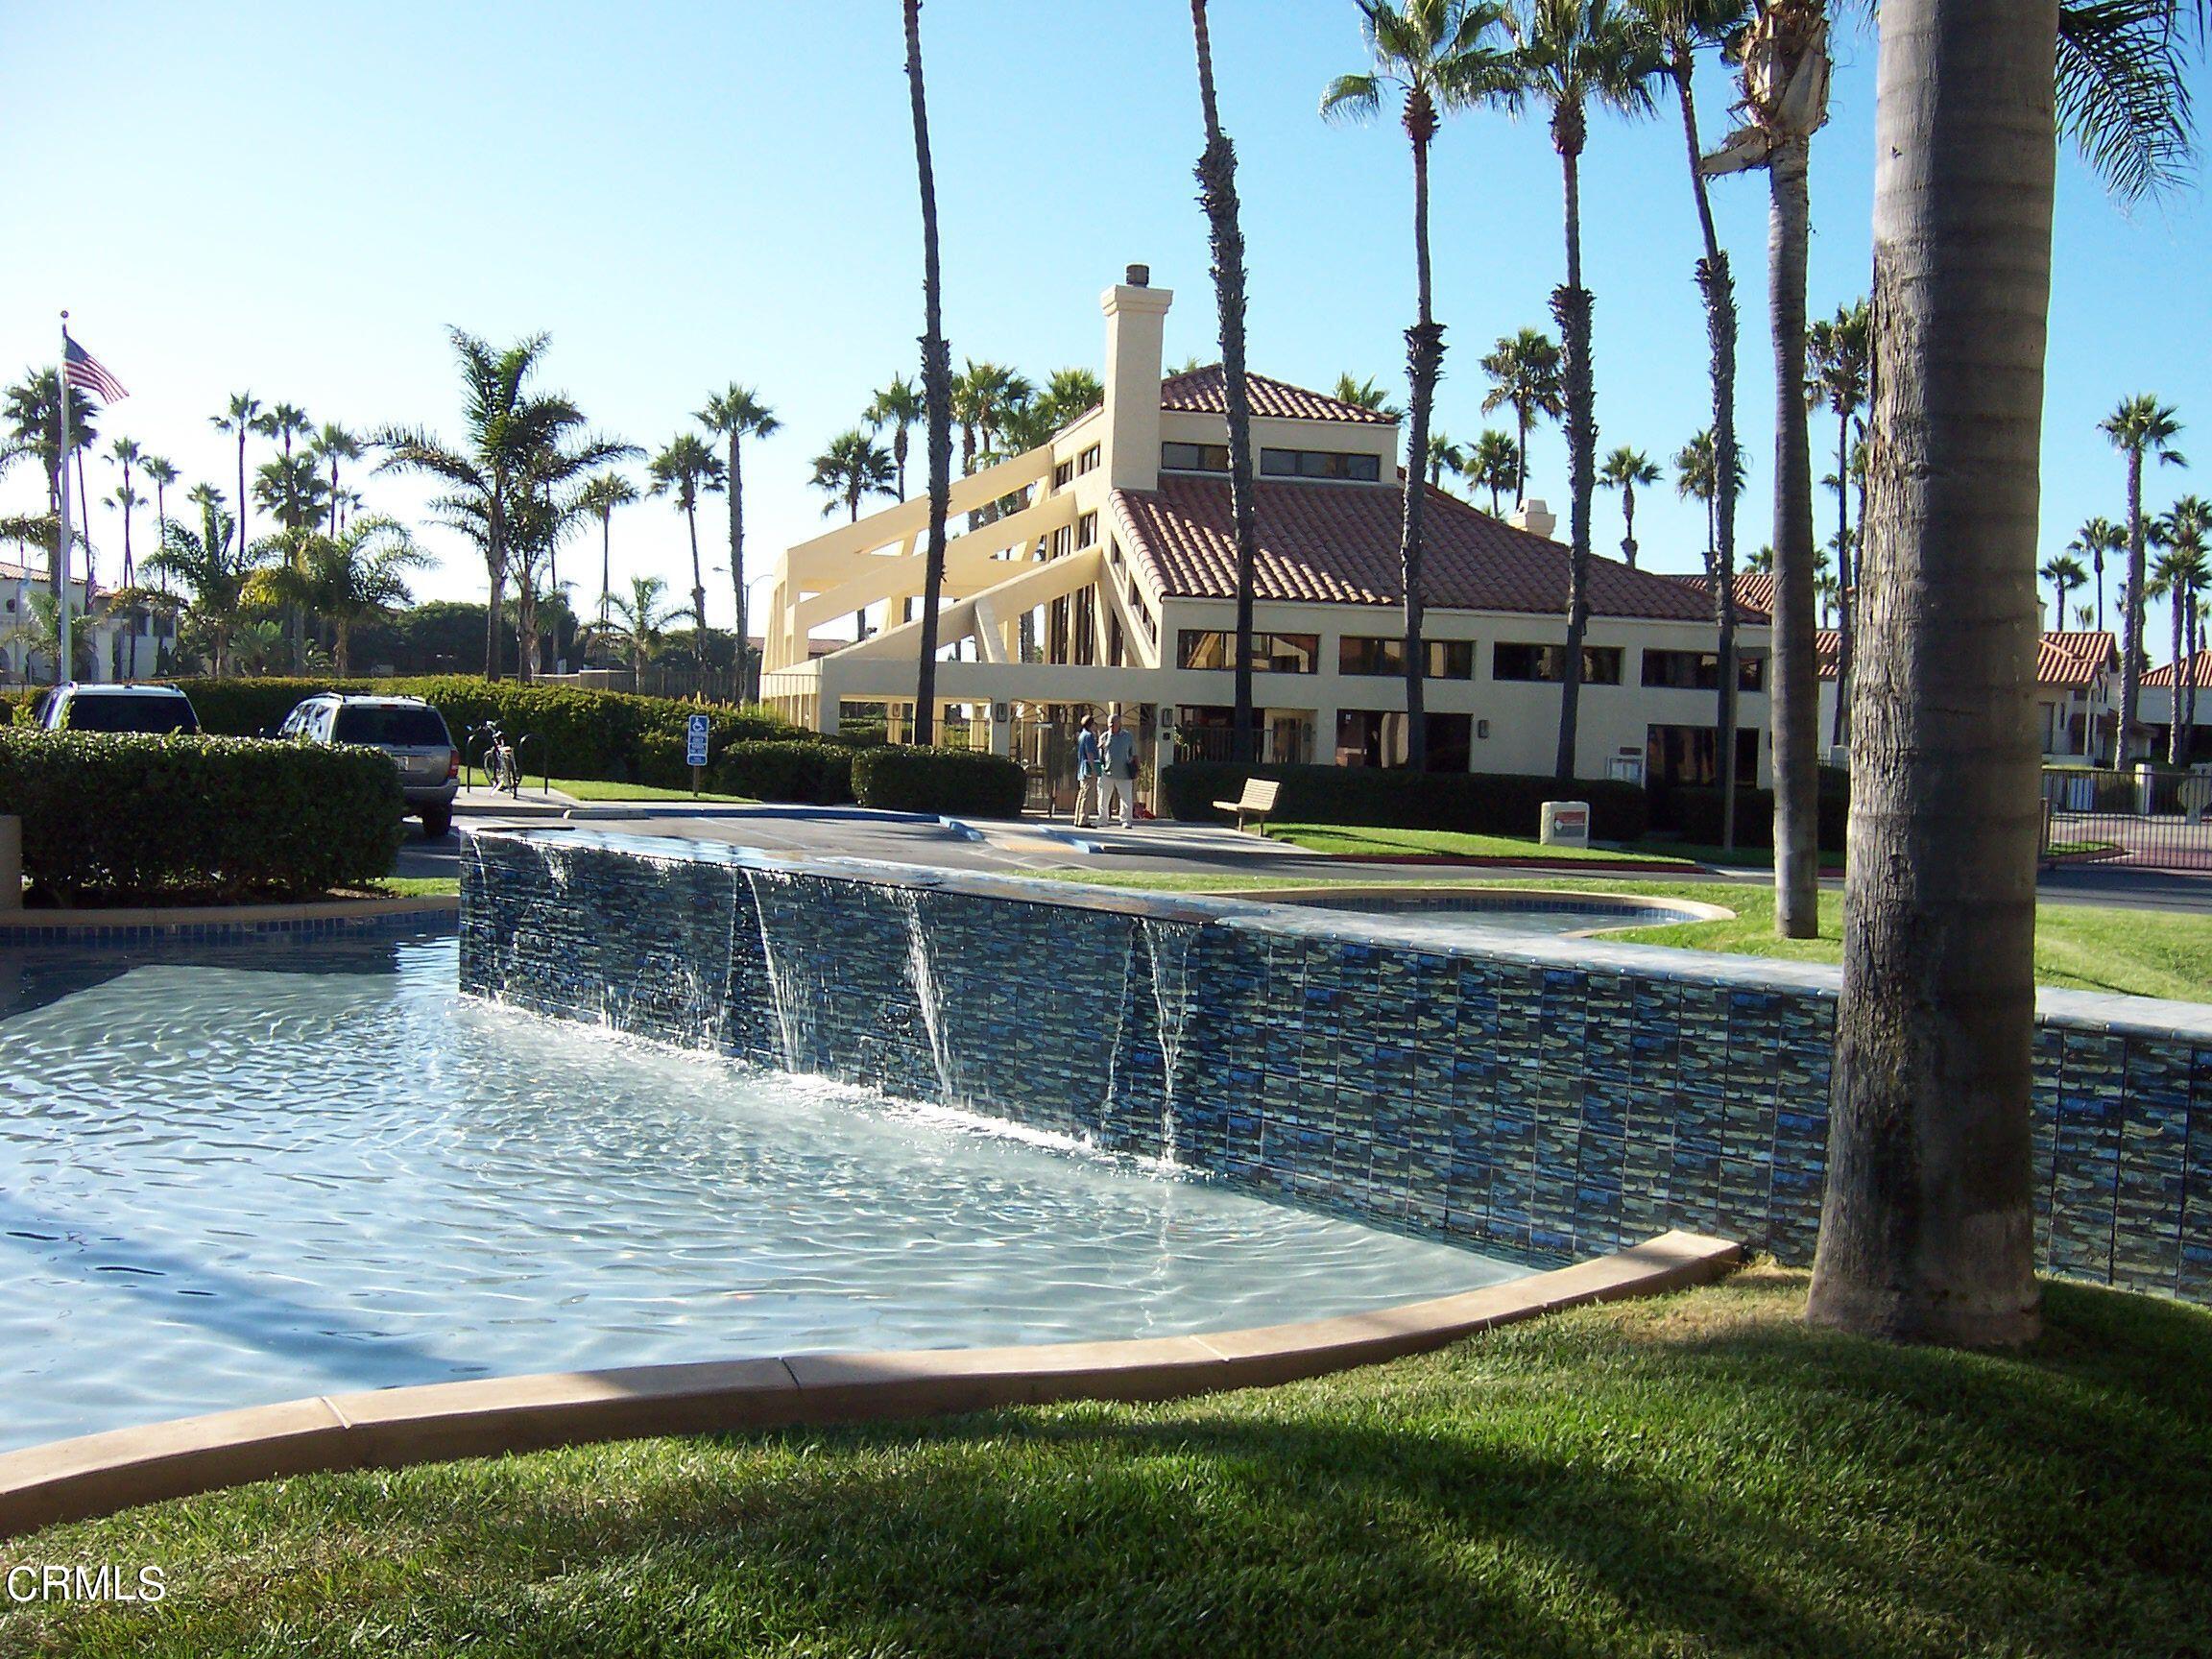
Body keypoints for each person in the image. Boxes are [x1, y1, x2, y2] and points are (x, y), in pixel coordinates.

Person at [1099, 710, 1138, 830]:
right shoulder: (1104, 736)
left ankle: (1126, 820)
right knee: (1103, 798)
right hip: (1107, 772)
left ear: (1119, 723)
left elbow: (1134, 754)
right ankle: (1103, 819)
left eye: (1113, 723)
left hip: (1124, 773)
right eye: (1109, 723)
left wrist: (1137, 769)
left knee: (1126, 799)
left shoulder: (1127, 736)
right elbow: (1100, 755)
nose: (1111, 725)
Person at [1071, 714, 1101, 828]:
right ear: (1091, 724)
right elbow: (1089, 753)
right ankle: (1083, 819)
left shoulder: (1082, 735)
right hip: (1088, 769)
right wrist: (1093, 769)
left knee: (1082, 793)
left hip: (1082, 769)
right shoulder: (1089, 736)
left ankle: (1077, 818)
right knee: (1088, 795)